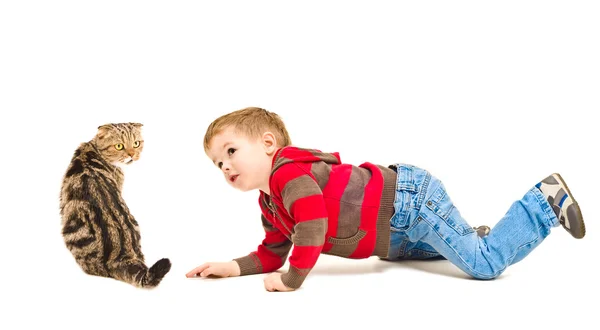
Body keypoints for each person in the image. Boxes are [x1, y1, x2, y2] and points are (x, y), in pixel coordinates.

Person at [185, 107, 586, 291]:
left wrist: (292, 280)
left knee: (483, 267)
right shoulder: (270, 203)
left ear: (268, 144)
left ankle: (542, 202)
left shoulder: (290, 172)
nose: (224, 166)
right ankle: (469, 234)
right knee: (457, 248)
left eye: (231, 152)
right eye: (217, 162)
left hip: (408, 205)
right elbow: (273, 251)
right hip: (390, 240)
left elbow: (313, 226)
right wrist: (232, 267)